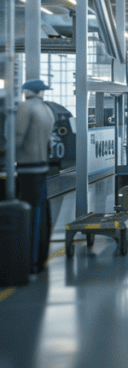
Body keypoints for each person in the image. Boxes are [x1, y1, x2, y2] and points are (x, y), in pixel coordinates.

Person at [15, 79, 56, 274]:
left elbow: (17, 136)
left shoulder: (25, 107)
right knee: (42, 212)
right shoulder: (47, 110)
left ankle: (30, 262)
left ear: (26, 91)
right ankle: (41, 257)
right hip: (42, 167)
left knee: (30, 214)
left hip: (27, 168)